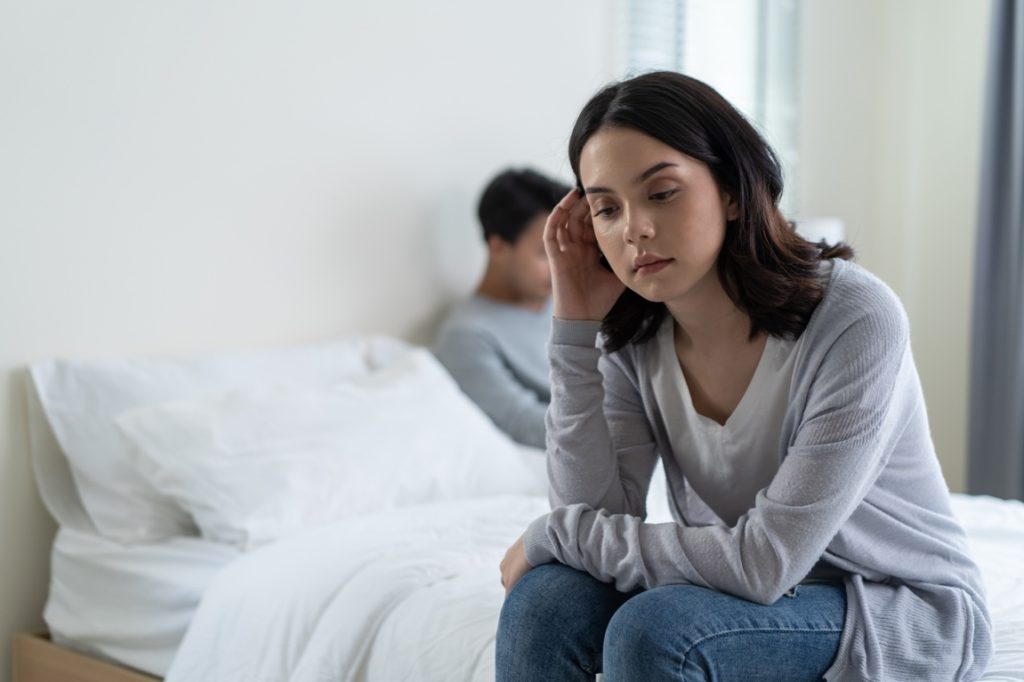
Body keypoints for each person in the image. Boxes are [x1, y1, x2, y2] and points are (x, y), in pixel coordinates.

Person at [496, 72, 992, 681]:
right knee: (547, 600)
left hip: (888, 603)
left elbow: (765, 562)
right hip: (734, 589)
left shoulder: (855, 319)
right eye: (606, 208)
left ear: (731, 190)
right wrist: (574, 321)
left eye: (662, 193)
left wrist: (555, 532)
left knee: (656, 632)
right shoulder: (633, 339)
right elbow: (593, 517)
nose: (634, 229)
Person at [433, 168, 570, 449]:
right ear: (498, 247)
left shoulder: (572, 302)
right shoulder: (466, 337)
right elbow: (522, 422)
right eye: (545, 253)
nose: (562, 266)